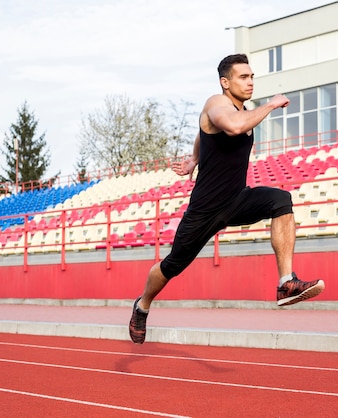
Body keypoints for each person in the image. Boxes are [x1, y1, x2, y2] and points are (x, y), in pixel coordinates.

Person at [129, 53, 325, 344]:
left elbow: (205, 130)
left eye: (252, 77)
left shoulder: (239, 109)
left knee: (281, 201)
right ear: (225, 82)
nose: (250, 82)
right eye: (243, 77)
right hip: (205, 210)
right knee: (172, 266)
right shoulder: (216, 104)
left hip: (236, 200)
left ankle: (286, 283)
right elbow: (232, 126)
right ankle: (142, 305)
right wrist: (270, 104)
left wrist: (194, 158)